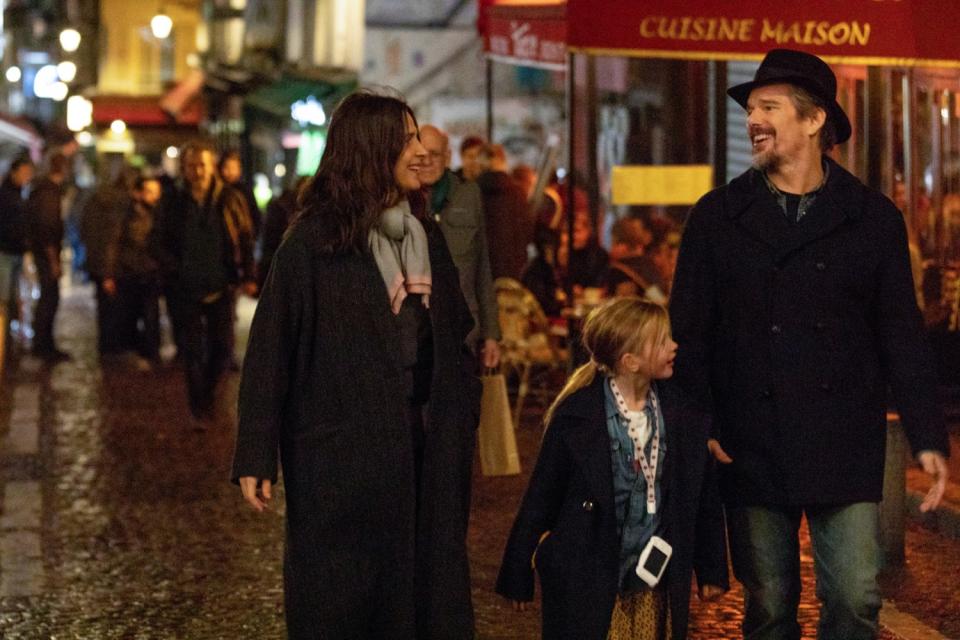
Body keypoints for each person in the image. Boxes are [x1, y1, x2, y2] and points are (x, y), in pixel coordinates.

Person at [669, 49, 951, 640]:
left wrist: (928, 437)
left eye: (768, 107)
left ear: (814, 119)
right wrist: (702, 421)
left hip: (842, 437)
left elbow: (901, 331)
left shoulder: (873, 218)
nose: (753, 121)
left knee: (854, 599)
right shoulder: (717, 216)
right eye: (751, 110)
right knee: (769, 606)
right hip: (749, 438)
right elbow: (689, 332)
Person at [232, 90, 481, 639]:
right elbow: (271, 349)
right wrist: (256, 452)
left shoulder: (427, 236)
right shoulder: (313, 243)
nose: (422, 152)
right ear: (373, 149)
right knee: (346, 601)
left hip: (423, 453)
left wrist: (460, 419)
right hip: (341, 464)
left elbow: (455, 335)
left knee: (423, 595)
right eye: (409, 139)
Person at [496, 297, 728, 639]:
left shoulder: (680, 416)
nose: (674, 346)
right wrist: (518, 572)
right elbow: (542, 497)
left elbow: (699, 498)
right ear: (630, 361)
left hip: (652, 586)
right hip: (588, 577)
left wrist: (711, 569)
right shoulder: (577, 417)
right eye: (662, 341)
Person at [155, 140, 256, 429]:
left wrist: (248, 275)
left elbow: (245, 237)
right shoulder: (173, 201)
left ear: (212, 167)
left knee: (222, 348)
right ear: (184, 169)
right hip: (183, 287)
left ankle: (208, 396)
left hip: (221, 285)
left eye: (203, 165)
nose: (197, 171)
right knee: (191, 349)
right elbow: (158, 240)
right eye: (191, 166)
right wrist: (174, 269)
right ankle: (198, 405)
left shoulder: (229, 199)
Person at [419, 124, 500, 369]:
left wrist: (491, 334)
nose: (428, 162)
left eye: (435, 154)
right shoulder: (402, 199)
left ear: (447, 156)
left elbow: (482, 266)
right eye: (422, 155)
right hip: (420, 332)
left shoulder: (468, 194)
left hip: (463, 330)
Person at [102, 176, 164, 369]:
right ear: (138, 193)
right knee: (129, 315)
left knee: (151, 315)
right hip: (129, 272)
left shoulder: (161, 215)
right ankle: (132, 351)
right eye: (150, 191)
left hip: (151, 272)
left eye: (157, 192)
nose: (154, 196)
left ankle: (152, 353)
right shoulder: (125, 214)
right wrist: (110, 273)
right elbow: (113, 243)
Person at [28, 152, 70, 361]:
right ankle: (43, 346)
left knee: (49, 298)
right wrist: (54, 260)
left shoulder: (44, 191)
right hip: (46, 254)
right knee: (49, 298)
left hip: (44, 252)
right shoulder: (49, 194)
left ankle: (44, 343)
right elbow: (47, 229)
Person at [478, 143, 536, 280]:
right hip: (512, 268)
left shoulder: (473, 191)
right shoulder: (517, 193)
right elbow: (527, 231)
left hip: (482, 270)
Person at [0, 158, 34, 365]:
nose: (27, 177)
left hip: (14, 251)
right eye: (24, 172)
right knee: (5, 298)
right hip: (5, 252)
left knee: (12, 297)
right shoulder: (6, 195)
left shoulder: (16, 194)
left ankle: (8, 340)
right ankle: (5, 341)